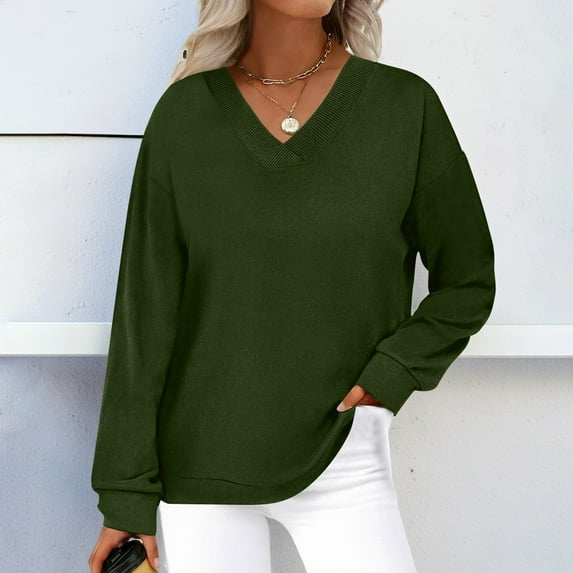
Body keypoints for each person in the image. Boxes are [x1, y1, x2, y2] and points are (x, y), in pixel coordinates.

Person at [88, 1, 496, 571]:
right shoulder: (184, 117)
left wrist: (392, 374)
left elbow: (468, 281)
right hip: (200, 466)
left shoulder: (405, 107)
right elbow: (145, 317)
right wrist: (125, 494)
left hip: (345, 449)